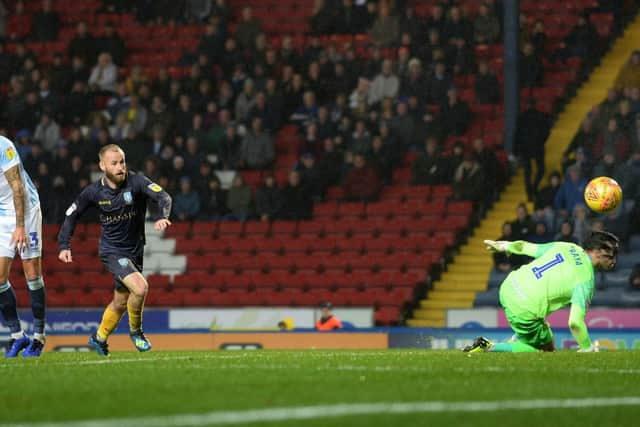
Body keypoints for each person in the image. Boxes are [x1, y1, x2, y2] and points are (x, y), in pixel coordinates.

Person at [57, 144, 172, 356]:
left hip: (135, 250)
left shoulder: (137, 181)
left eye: (122, 162)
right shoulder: (93, 192)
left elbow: (164, 197)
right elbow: (72, 214)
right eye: (114, 163)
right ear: (103, 166)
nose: (120, 167)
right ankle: (136, 332)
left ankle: (99, 338)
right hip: (112, 251)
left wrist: (163, 216)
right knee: (140, 288)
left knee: (120, 302)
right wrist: (64, 245)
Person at [464, 231, 619, 353]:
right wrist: (587, 348)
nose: (614, 260)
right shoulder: (586, 278)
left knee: (539, 325)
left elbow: (526, 247)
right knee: (545, 350)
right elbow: (575, 322)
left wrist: (504, 246)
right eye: (613, 253)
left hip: (509, 286)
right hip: (524, 307)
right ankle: (489, 347)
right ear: (598, 251)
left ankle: (519, 338)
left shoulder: (567, 246)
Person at [0, 135, 47, 357]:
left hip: (26, 210)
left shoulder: (3, 146)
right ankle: (18, 337)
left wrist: (19, 226)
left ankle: (38, 337)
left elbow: (18, 186)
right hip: (1, 213)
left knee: (31, 273)